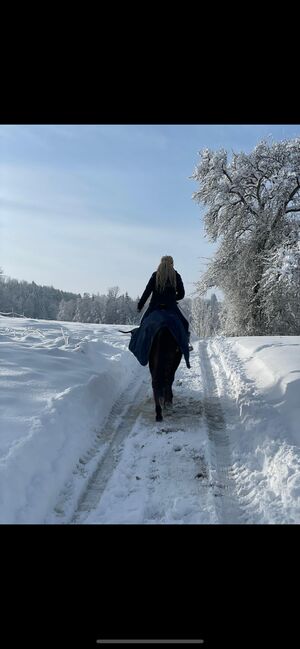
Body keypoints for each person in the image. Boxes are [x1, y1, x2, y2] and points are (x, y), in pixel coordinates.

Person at [137, 255, 193, 350]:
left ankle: (141, 343)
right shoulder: (176, 275)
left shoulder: (155, 275)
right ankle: (186, 344)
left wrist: (140, 305)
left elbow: (147, 292)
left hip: (154, 306)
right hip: (171, 307)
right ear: (172, 263)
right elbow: (182, 294)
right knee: (184, 323)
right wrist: (172, 298)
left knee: (143, 322)